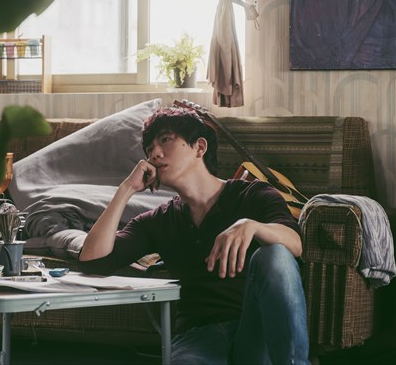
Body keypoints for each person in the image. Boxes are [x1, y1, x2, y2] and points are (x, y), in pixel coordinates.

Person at [78, 106, 309, 364]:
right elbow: (93, 261)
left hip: (256, 329)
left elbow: (295, 244)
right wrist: (126, 189)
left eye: (166, 140)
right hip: (199, 338)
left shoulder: (253, 195)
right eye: (149, 149)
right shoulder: (159, 220)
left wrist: (252, 226)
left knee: (274, 253)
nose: (155, 154)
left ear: (200, 147)